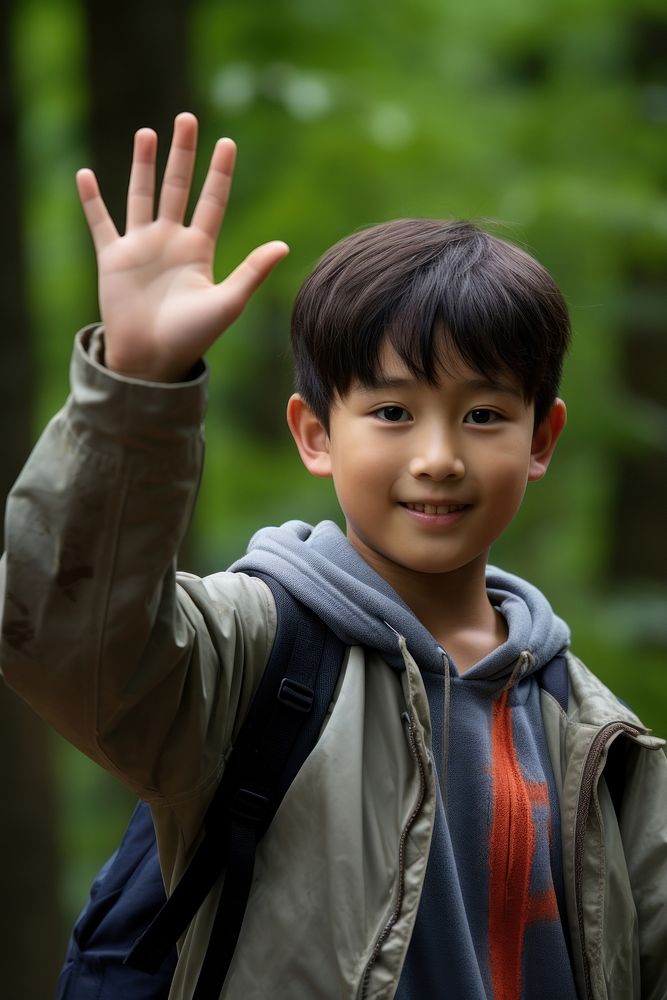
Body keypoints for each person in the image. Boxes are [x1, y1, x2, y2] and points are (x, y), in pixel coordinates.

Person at [1, 112, 665, 1000]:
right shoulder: (251, 652)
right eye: (391, 413)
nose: (438, 456)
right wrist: (137, 389)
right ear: (314, 434)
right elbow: (61, 632)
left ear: (541, 438)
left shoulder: (596, 735)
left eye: (483, 415)